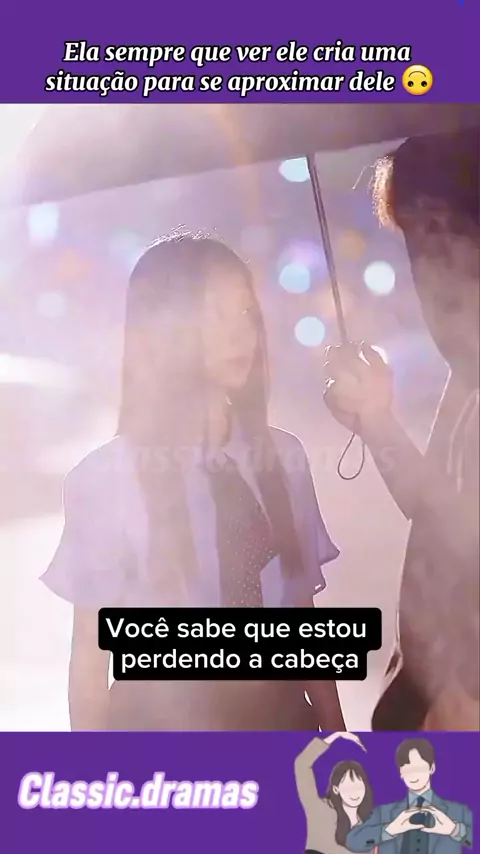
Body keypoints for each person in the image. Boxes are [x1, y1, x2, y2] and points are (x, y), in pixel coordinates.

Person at [42, 231, 344, 731]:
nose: (239, 334)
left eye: (245, 312)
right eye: (213, 315)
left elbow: (300, 619)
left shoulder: (283, 457)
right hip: (158, 735)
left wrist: (338, 737)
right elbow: (91, 662)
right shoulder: (105, 479)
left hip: (280, 725)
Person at [323, 129, 479, 731]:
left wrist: (468, 689)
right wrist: (377, 419)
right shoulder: (466, 374)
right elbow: (439, 511)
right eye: (415, 242)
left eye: (443, 231)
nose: (430, 270)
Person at [346, 737, 473, 852]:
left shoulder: (458, 811)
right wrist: (390, 829)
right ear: (400, 773)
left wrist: (454, 830)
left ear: (432, 768)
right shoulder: (383, 812)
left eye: (419, 768)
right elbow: (352, 841)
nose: (413, 775)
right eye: (407, 769)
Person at [295, 731, 376, 854]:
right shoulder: (320, 809)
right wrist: (336, 735)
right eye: (348, 786)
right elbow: (301, 764)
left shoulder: (368, 825)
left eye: (359, 785)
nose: (354, 792)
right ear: (335, 789)